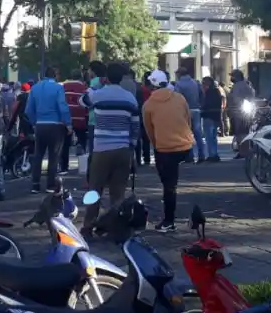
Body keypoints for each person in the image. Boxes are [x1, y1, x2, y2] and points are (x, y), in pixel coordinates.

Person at [79, 62, 140, 236]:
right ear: (121, 78)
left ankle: (88, 226)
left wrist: (94, 86)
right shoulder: (129, 98)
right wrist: (132, 147)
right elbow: (135, 126)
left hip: (101, 149)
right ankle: (116, 226)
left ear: (106, 77)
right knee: (118, 191)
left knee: (94, 189)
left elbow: (82, 101)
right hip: (123, 150)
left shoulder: (99, 95)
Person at [143, 69, 193, 232]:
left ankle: (169, 221)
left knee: (169, 186)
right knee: (172, 183)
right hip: (185, 145)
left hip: (164, 148)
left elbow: (149, 130)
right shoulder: (179, 98)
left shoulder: (148, 104)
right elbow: (188, 119)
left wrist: (157, 144)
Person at [26, 67, 71, 194]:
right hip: (55, 125)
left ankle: (35, 184)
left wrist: (34, 122)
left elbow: (29, 110)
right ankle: (50, 185)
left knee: (38, 155)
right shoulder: (58, 88)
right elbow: (62, 106)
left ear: (43, 76)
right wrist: (68, 123)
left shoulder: (35, 88)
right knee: (53, 156)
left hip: (40, 125)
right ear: (55, 76)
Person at [174, 67, 205, 164]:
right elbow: (202, 94)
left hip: (185, 111)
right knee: (198, 134)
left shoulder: (179, 84)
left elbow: (177, 97)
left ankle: (189, 156)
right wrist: (200, 104)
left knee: (186, 134)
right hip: (196, 109)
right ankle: (201, 155)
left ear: (179, 74)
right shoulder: (195, 82)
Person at [62, 71, 88, 173]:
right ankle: (83, 166)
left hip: (67, 119)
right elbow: (86, 103)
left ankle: (64, 167)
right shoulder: (83, 87)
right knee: (82, 141)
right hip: (80, 119)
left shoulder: (63, 86)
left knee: (65, 144)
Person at [226, 69, 255, 159]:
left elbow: (235, 100)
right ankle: (244, 151)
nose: (231, 78)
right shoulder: (247, 85)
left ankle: (243, 151)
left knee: (240, 133)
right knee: (245, 132)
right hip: (246, 112)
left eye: (232, 76)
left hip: (238, 113)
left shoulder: (238, 86)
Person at [200, 77, 223, 162]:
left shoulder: (209, 93)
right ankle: (214, 153)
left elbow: (207, 104)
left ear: (208, 84)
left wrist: (201, 109)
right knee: (213, 137)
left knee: (209, 137)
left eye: (203, 83)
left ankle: (211, 155)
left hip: (208, 116)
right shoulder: (217, 92)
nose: (202, 85)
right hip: (216, 116)